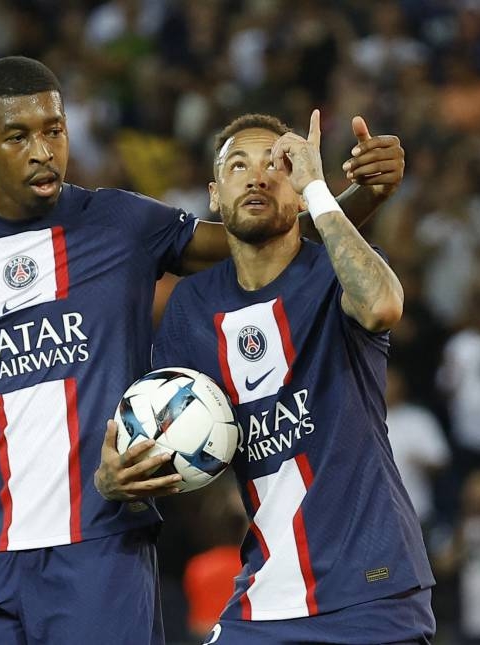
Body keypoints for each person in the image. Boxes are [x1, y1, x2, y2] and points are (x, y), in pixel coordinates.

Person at [0, 56, 405, 644]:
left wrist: (356, 195)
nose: (43, 151)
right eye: (18, 136)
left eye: (53, 130)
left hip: (102, 551)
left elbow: (263, 245)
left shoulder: (121, 223)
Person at [97, 111, 434, 643]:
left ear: (299, 189)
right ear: (214, 194)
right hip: (264, 595)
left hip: (369, 588)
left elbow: (381, 307)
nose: (256, 176)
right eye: (237, 165)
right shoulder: (192, 307)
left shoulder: (337, 271)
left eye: (276, 164)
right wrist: (118, 482)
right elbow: (161, 441)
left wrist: (321, 191)